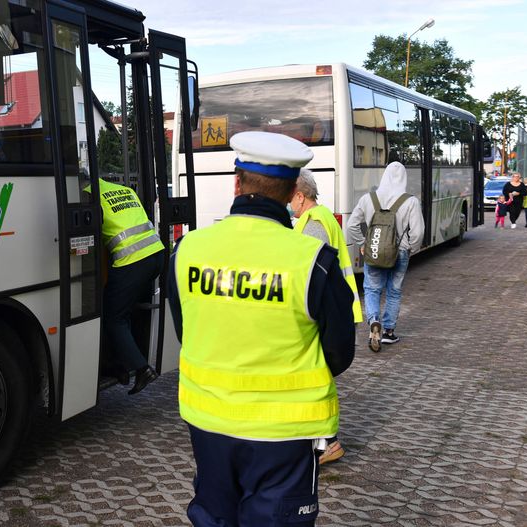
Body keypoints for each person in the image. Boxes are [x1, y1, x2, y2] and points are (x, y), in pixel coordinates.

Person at [169, 131, 355, 526]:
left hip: (208, 422)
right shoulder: (315, 260)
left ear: (236, 183)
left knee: (215, 517)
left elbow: (186, 330)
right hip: (284, 435)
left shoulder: (187, 249)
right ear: (291, 193)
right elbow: (340, 352)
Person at [289, 168, 361, 466]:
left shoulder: (314, 224)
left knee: (315, 381)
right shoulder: (322, 216)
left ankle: (327, 442)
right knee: (316, 380)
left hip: (325, 313)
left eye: (290, 197)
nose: (288, 203)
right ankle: (322, 440)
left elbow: (311, 274)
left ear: (300, 196)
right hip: (335, 308)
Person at [87, 177, 164, 395]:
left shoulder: (87, 195)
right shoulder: (122, 190)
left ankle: (142, 369)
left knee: (113, 318)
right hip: (156, 254)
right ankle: (120, 365)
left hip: (132, 260)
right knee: (123, 311)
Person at [347, 161, 424, 353]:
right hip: (400, 252)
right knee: (394, 291)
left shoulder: (368, 199)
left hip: (373, 251)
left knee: (372, 290)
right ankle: (389, 332)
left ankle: (374, 321)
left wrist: (363, 243)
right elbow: (418, 232)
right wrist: (410, 248)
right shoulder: (411, 201)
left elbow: (351, 225)